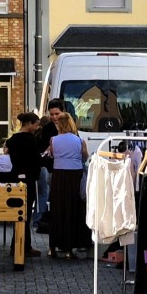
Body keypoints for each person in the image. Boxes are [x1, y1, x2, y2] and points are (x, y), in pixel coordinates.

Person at [45, 105, 88, 259]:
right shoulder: (79, 140)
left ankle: (52, 247)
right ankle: (69, 249)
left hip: (58, 175)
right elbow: (85, 157)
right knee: (72, 210)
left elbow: (51, 154)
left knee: (57, 210)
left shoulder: (53, 140)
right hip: (74, 176)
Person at [5, 111, 47, 254]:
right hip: (28, 179)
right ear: (29, 124)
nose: (37, 128)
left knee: (16, 212)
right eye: (36, 125)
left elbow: (7, 151)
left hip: (14, 177)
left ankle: (15, 245)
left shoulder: (13, 139)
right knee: (26, 213)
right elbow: (36, 160)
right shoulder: (30, 139)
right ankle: (24, 246)